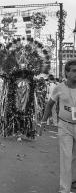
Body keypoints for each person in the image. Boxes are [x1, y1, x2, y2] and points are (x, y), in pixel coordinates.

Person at [40, 60, 76, 193]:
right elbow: (49, 105)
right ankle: (64, 189)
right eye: (73, 71)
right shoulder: (59, 88)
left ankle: (73, 181)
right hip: (65, 126)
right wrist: (43, 122)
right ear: (66, 72)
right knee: (66, 157)